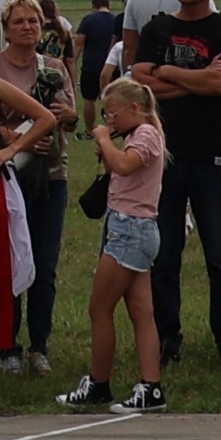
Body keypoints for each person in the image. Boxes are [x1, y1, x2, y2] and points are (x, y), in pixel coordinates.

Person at [126, 0, 221, 368]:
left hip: (211, 155)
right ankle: (166, 337)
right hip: (165, 158)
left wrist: (167, 74)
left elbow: (220, 84)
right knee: (164, 254)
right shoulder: (158, 27)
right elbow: (141, 80)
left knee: (220, 253)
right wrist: (194, 82)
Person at [60, 75, 169, 412]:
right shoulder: (138, 135)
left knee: (100, 308)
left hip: (130, 230)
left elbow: (124, 164)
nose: (108, 121)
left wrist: (106, 141)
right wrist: (107, 147)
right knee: (141, 312)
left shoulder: (147, 134)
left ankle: (99, 382)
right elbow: (120, 170)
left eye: (112, 115)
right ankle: (150, 386)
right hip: (132, 228)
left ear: (134, 108)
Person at [0, 0, 75, 362]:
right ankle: (8, 346)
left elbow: (72, 118)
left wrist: (64, 114)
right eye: (19, 22)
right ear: (6, 29)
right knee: (8, 261)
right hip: (7, 174)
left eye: (34, 22)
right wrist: (11, 138)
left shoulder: (53, 66)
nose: (27, 27)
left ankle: (39, 346)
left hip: (50, 174)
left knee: (44, 264)